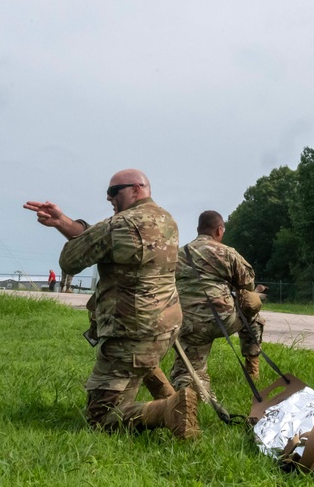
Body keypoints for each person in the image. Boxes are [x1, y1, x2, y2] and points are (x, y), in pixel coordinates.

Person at [23, 169, 198, 439]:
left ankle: (170, 410)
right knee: (144, 359)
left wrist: (71, 233)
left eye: (114, 192)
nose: (108, 197)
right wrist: (62, 222)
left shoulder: (118, 226)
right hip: (166, 325)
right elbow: (100, 237)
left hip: (130, 332)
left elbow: (71, 260)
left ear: (136, 189)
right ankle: (179, 400)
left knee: (101, 416)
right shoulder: (166, 220)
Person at [169, 211, 265, 396]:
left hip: (188, 324)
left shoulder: (179, 255)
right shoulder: (227, 253)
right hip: (223, 321)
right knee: (252, 307)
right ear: (219, 230)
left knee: (189, 371)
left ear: (198, 230)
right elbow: (248, 284)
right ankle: (253, 370)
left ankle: (190, 396)